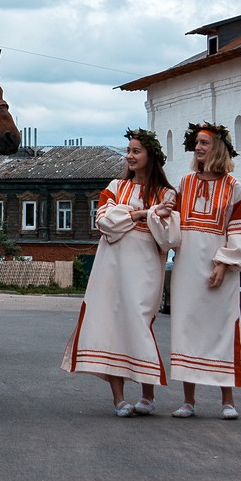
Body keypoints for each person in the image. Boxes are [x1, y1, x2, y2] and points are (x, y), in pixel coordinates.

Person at [61, 129, 180, 416]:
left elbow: (170, 238)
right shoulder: (116, 186)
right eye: (128, 150)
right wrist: (144, 214)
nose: (129, 156)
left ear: (151, 156)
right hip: (112, 265)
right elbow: (104, 221)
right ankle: (119, 399)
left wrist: (143, 216)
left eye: (136, 151)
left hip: (146, 266)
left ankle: (148, 395)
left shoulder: (166, 193)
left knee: (139, 323)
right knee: (112, 325)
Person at [169, 122, 241, 420]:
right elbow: (172, 225)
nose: (198, 147)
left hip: (221, 269)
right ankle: (188, 401)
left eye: (204, 143)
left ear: (218, 147)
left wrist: (223, 263)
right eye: (196, 143)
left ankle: (227, 401)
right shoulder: (184, 184)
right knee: (186, 327)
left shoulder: (233, 187)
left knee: (222, 328)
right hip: (186, 268)